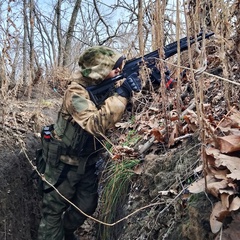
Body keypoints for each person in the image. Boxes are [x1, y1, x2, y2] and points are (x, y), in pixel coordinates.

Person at [37, 46, 141, 240]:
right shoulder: (75, 92)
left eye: (120, 69)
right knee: (52, 211)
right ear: (98, 70)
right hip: (63, 164)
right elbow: (94, 123)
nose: (118, 72)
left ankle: (65, 232)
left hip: (87, 161)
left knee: (87, 205)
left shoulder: (107, 87)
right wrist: (122, 94)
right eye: (114, 69)